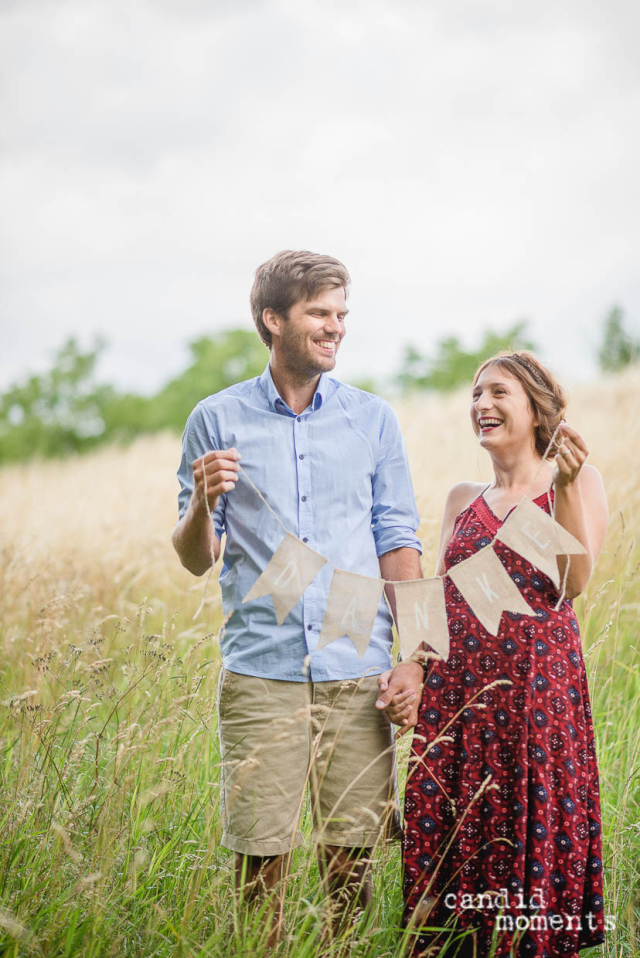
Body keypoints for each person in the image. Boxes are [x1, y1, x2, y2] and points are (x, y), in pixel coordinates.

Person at [172, 250, 423, 946]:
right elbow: (198, 559)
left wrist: (418, 658)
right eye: (319, 313)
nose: (335, 327)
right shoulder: (215, 420)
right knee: (261, 864)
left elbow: (399, 540)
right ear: (273, 319)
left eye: (341, 314)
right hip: (262, 673)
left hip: (356, 666)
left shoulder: (373, 420)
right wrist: (201, 502)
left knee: (353, 861)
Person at [379, 352, 608, 957]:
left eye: (498, 392)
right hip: (458, 706)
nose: (481, 404)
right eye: (475, 394)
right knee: (454, 858)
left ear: (536, 408)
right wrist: (413, 667)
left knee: (523, 841)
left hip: (536, 703)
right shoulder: (462, 496)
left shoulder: (575, 483)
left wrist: (559, 487)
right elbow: (439, 604)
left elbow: (573, 582)